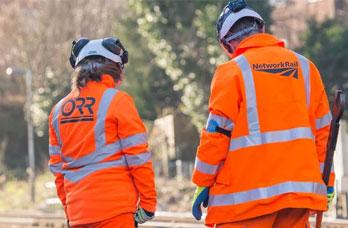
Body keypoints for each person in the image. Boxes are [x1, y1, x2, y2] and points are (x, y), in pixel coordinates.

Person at [191, 0, 335, 227]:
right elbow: (324, 134)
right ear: (262, 29)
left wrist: (202, 181)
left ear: (227, 44)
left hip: (246, 204)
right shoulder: (306, 68)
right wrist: (328, 181)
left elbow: (216, 135)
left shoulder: (231, 72)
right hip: (298, 198)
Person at [48, 37, 156, 227]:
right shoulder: (118, 101)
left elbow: (58, 170)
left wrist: (70, 210)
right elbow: (138, 157)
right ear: (116, 69)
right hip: (116, 211)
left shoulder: (58, 111)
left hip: (78, 214)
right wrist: (148, 204)